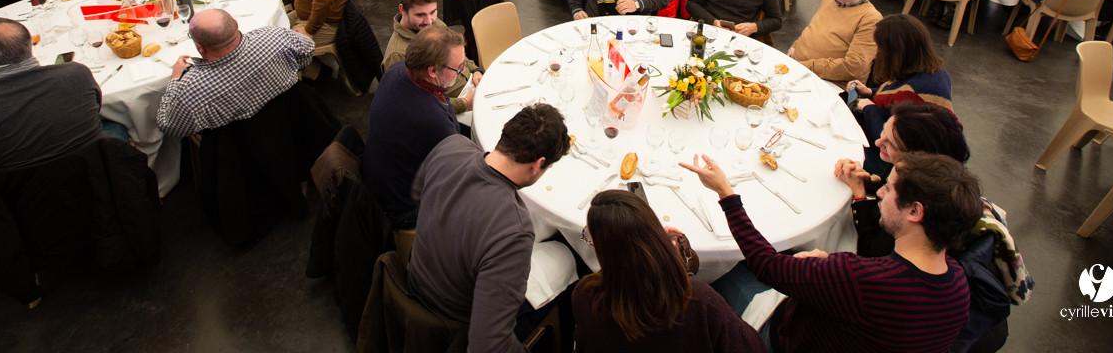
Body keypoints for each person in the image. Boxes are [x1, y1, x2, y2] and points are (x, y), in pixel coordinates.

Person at [682, 151, 981, 353]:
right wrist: (828, 269)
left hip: (780, 339)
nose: (881, 193)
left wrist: (726, 193)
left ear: (915, 211)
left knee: (718, 274)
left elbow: (765, 264)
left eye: (889, 189)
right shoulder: (957, 284)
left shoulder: (861, 280)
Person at [409, 104, 570, 352]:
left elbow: (419, 193)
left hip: (415, 277)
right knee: (568, 268)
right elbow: (489, 345)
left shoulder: (452, 144)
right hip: (453, 321)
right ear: (538, 164)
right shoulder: (514, 231)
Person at [573, 189, 766, 353]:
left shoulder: (585, 295)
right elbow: (752, 347)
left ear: (602, 249)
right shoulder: (697, 299)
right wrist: (678, 269)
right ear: (656, 234)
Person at [0, 17, 104, 168]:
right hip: (100, 172)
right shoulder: (76, 73)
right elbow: (96, 109)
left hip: (25, 188)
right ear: (30, 46)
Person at [155, 9, 314, 137]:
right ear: (236, 24)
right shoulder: (274, 36)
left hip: (241, 149)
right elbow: (308, 50)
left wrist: (175, 80)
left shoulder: (192, 88)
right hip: (297, 121)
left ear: (200, 47)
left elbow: (170, 127)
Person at [367, 25, 468, 226]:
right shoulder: (433, 121)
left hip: (384, 182)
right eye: (458, 68)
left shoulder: (398, 70)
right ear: (432, 71)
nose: (462, 71)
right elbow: (461, 176)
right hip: (403, 209)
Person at [836, 103, 972, 246]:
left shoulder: (922, 207)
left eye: (891, 144)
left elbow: (873, 248)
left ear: (916, 157)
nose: (878, 142)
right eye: (883, 132)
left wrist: (859, 196)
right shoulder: (910, 168)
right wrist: (870, 180)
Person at [381, 0, 480, 115]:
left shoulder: (432, 23)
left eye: (433, 12)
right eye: (420, 15)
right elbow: (416, 102)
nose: (429, 21)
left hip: (470, 82)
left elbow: (456, 51)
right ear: (403, 9)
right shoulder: (397, 55)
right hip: (453, 105)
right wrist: (464, 104)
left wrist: (475, 70)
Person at [850, 15, 953, 150]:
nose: (876, 54)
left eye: (880, 48)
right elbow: (895, 93)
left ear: (895, 53)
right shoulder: (933, 70)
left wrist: (868, 108)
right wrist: (871, 92)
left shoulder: (914, 92)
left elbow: (887, 140)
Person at [788, 0, 881, 83]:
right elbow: (811, 30)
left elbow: (854, 67)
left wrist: (805, 67)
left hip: (828, 82)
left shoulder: (870, 19)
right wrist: (794, 47)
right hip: (797, 68)